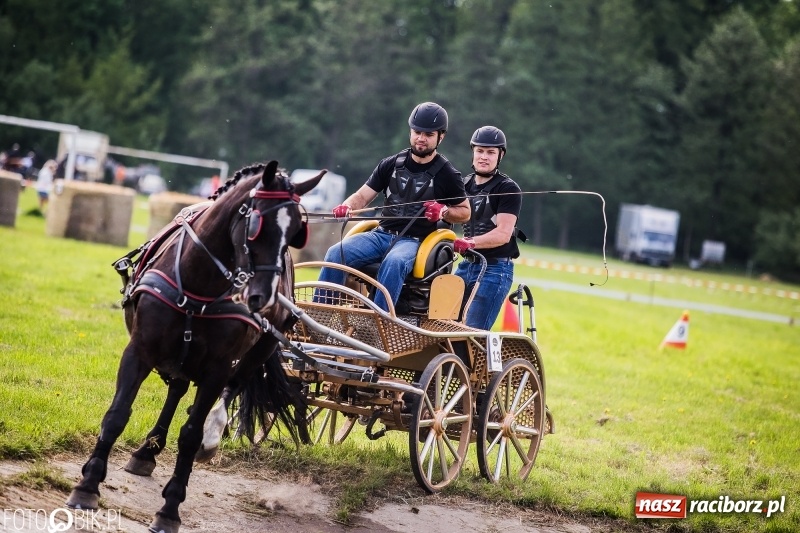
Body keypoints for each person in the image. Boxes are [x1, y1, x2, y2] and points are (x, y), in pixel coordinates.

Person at [316, 102, 470, 312]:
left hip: (414, 242)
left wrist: (444, 211)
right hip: (381, 235)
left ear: (440, 137)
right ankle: (319, 316)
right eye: (417, 132)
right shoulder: (390, 164)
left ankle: (378, 321)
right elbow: (361, 196)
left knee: (394, 262)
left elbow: (465, 212)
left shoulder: (448, 174)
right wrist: (347, 206)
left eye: (428, 134)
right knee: (336, 253)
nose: (421, 138)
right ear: (410, 131)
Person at [453, 126, 523, 330]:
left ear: (500, 156)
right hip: (466, 266)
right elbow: (448, 219)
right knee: (444, 323)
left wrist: (470, 242)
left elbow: (503, 233)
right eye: (480, 151)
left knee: (472, 332)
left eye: (491, 152)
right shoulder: (463, 184)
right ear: (473, 152)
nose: (484, 157)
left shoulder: (508, 189)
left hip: (494, 269)